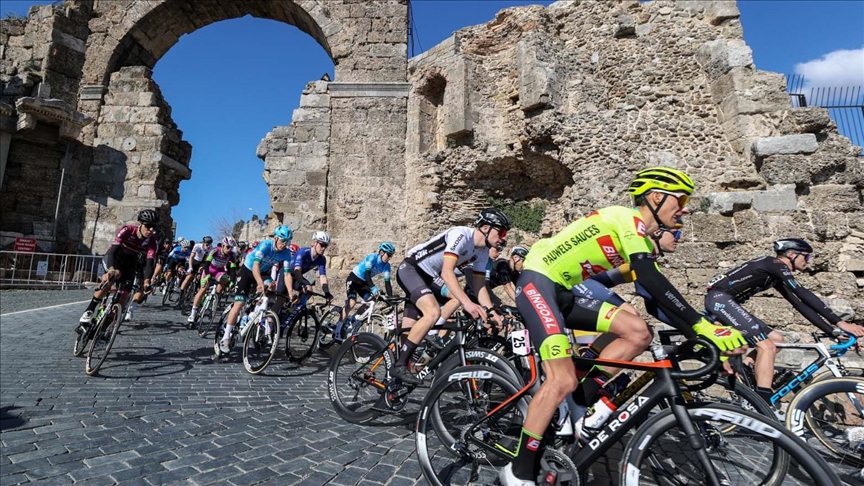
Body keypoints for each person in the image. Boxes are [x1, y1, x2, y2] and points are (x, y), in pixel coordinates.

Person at [500, 167, 747, 486]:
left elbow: (654, 293)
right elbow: (650, 277)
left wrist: (699, 332)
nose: (685, 208)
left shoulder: (638, 237)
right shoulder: (628, 220)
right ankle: (519, 471)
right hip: (538, 282)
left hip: (563, 291)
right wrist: (701, 326)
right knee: (560, 380)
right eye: (681, 199)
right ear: (656, 197)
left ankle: (584, 400)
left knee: (639, 332)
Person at [704, 238, 864, 402]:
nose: (808, 262)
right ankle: (763, 404)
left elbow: (799, 304)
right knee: (767, 347)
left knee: (776, 340)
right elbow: (803, 293)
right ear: (792, 254)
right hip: (720, 300)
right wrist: (841, 322)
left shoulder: (775, 272)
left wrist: (832, 331)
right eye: (806, 257)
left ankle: (744, 368)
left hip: (724, 301)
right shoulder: (774, 264)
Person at [393, 209, 509, 385]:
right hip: (412, 269)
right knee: (432, 312)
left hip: (431, 277)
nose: (503, 237)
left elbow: (479, 285)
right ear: (485, 227)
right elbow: (448, 272)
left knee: (408, 335)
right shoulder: (461, 235)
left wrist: (491, 310)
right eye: (501, 232)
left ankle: (393, 384)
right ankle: (399, 365)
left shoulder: (483, 252)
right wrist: (469, 304)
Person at [77, 209, 159, 330]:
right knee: (111, 278)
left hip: (130, 263)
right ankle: (89, 310)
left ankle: (102, 329)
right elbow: (114, 250)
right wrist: (111, 269)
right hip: (115, 258)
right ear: (140, 224)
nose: (151, 230)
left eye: (154, 227)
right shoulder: (127, 230)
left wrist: (147, 281)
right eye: (148, 226)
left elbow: (149, 263)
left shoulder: (152, 242)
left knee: (124, 295)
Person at [219, 226, 293, 354]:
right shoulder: (265, 245)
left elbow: (287, 274)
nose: (284, 244)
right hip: (248, 270)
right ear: (275, 238)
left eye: (287, 242)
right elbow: (255, 266)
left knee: (271, 287)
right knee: (239, 303)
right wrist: (259, 283)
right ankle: (226, 337)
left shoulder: (286, 253)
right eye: (282, 241)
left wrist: (291, 292)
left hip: (263, 272)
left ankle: (255, 313)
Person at [333, 242, 396, 341]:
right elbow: (367, 274)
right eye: (388, 255)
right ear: (382, 252)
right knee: (352, 303)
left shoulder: (387, 266)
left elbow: (387, 283)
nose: (389, 258)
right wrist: (373, 287)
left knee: (369, 302)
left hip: (363, 283)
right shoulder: (372, 258)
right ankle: (337, 330)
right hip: (354, 279)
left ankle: (353, 319)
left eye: (391, 256)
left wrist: (390, 298)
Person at [187, 237, 238, 324]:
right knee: (203, 289)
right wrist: (207, 276)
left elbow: (233, 270)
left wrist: (232, 282)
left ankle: (213, 298)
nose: (229, 249)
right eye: (228, 247)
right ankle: (193, 313)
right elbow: (206, 264)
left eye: (231, 248)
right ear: (222, 245)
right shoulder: (215, 250)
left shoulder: (232, 255)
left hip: (219, 271)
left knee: (224, 281)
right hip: (209, 269)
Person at [283, 231, 333, 304]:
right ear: (314, 243)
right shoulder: (303, 253)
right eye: (322, 245)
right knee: (280, 301)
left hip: (297, 276)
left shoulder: (322, 259)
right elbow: (297, 270)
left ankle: (295, 310)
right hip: (287, 274)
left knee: (309, 290)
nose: (323, 248)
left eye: (325, 246)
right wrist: (301, 283)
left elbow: (322, 277)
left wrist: (327, 292)